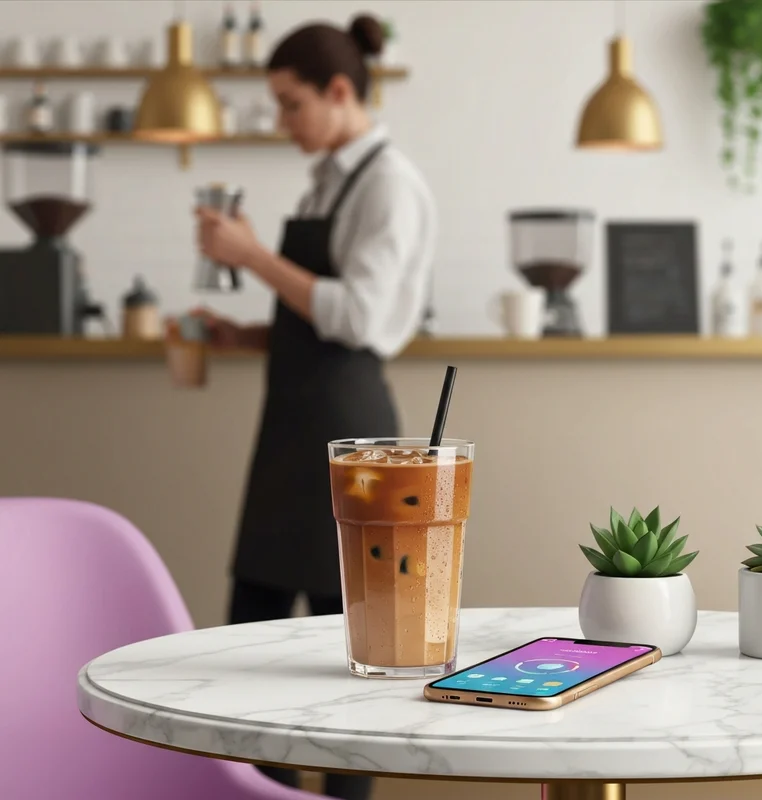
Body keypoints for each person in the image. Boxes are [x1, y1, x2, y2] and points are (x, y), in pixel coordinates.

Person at [193, 13, 436, 800]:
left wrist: (253, 257)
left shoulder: (391, 183)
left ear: (340, 91)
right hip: (294, 429)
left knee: (350, 642)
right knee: (255, 630)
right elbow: (316, 315)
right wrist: (249, 333)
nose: (281, 121)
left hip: (354, 437)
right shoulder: (331, 177)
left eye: (290, 103)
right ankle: (253, 789)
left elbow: (361, 319)